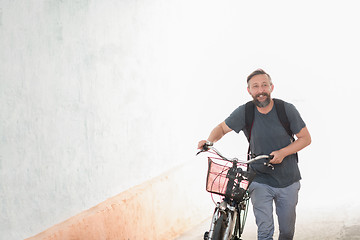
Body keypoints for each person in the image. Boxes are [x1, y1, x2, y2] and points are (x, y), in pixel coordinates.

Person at [198, 69, 311, 240]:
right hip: (259, 179)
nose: (260, 90)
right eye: (255, 86)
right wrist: (210, 141)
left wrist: (283, 152)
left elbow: (305, 138)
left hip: (288, 179)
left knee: (287, 232)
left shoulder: (286, 109)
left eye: (264, 85)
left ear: (271, 87)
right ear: (249, 90)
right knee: (265, 231)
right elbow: (221, 128)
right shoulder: (246, 112)